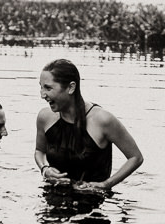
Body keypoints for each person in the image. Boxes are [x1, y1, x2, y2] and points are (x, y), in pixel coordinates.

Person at [35, 59, 143, 191]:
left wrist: (106, 184)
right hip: (53, 197)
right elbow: (39, 151)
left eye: (48, 88)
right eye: (40, 87)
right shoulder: (44, 117)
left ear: (71, 87)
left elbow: (135, 157)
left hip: (91, 203)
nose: (42, 95)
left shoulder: (103, 120)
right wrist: (44, 169)